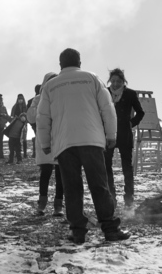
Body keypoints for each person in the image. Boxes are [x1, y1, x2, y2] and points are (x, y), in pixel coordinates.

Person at [36, 48, 129, 244]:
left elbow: (42, 117)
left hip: (64, 143)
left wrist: (45, 142)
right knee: (99, 186)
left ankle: (78, 232)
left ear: (60, 64)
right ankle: (110, 229)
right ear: (79, 62)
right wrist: (111, 134)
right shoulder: (92, 78)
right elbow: (107, 108)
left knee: (72, 188)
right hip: (92, 140)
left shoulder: (50, 86)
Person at [105, 68, 145, 206]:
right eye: (113, 81)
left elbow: (140, 112)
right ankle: (111, 197)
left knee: (127, 167)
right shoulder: (105, 93)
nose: (115, 84)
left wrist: (131, 123)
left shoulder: (130, 94)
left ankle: (129, 199)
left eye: (118, 81)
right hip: (108, 134)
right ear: (110, 81)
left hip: (125, 134)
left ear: (123, 81)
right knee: (106, 166)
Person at [27, 72, 63, 215]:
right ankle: (41, 204)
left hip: (60, 140)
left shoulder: (62, 97)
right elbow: (31, 117)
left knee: (61, 175)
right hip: (45, 141)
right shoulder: (38, 99)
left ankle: (58, 205)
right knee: (45, 174)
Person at [11, 93, 30, 158]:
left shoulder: (26, 107)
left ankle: (25, 153)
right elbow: (12, 116)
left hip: (24, 124)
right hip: (17, 125)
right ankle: (17, 153)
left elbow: (28, 115)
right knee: (17, 139)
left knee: (24, 139)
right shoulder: (15, 107)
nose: (20, 100)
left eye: (21, 98)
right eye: (19, 98)